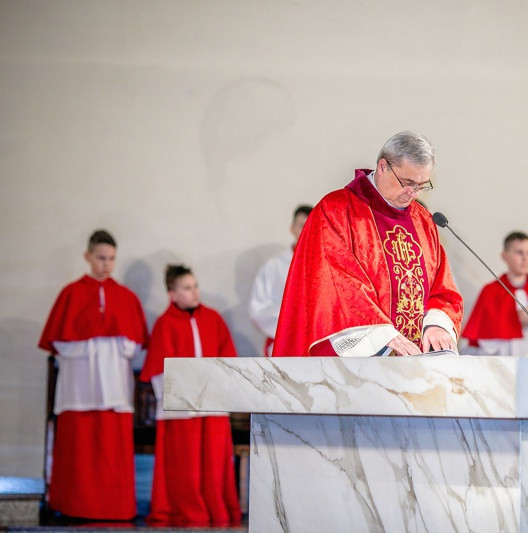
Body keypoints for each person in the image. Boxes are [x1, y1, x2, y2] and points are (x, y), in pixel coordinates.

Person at [272, 131, 463, 357]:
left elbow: (443, 288)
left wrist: (437, 325)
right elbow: (335, 286)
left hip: (414, 366)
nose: (412, 193)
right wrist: (381, 336)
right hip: (355, 364)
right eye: (407, 182)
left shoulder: (423, 221)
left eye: (422, 185)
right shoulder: (336, 211)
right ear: (383, 166)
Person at [38, 229, 148, 521]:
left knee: (113, 452)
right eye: (100, 258)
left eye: (111, 259)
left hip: (114, 387)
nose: (106, 264)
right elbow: (60, 343)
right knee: (79, 451)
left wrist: (108, 339)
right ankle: (74, 507)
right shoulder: (70, 294)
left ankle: (116, 509)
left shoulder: (125, 296)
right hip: (79, 386)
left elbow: (135, 344)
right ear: (87, 257)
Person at [139, 264, 241, 527]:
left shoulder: (213, 318)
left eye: (195, 286)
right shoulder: (165, 323)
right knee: (186, 466)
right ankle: (188, 513)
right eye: (187, 288)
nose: (194, 292)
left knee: (215, 464)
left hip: (213, 407)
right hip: (181, 412)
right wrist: (179, 398)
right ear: (172, 294)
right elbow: (159, 368)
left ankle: (217, 512)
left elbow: (227, 358)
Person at [249, 204, 313, 356]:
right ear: (292, 228)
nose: (305, 230)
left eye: (310, 225)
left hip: (316, 343)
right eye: (301, 225)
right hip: (285, 342)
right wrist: (290, 318)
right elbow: (258, 308)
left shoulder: (327, 263)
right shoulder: (274, 266)